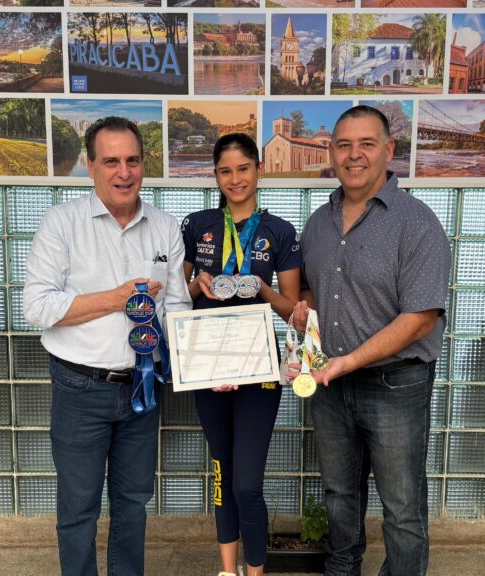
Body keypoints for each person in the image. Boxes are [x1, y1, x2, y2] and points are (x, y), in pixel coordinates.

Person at [23, 116, 192, 576]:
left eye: (133, 161)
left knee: (133, 503)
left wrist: (205, 361)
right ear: (91, 164)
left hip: (143, 388)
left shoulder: (165, 227)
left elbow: (176, 307)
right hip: (80, 388)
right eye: (112, 161)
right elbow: (37, 306)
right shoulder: (62, 223)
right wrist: (115, 299)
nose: (124, 172)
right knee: (78, 508)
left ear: (144, 164)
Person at [289, 106, 450, 576]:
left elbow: (421, 318)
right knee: (340, 495)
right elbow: (313, 292)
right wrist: (304, 316)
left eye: (366, 144)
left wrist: (351, 360)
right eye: (344, 145)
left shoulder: (417, 222)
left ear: (388, 150)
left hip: (395, 384)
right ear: (331, 152)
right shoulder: (318, 223)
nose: (354, 155)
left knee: (402, 507)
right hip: (330, 383)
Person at [181, 133, 301, 576]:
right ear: (215, 175)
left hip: (257, 367)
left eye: (243, 169)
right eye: (225, 171)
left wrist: (262, 288)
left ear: (259, 170)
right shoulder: (197, 225)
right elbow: (176, 299)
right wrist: (197, 285)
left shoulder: (279, 232)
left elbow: (293, 311)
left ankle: (255, 572)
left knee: (247, 484)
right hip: (208, 365)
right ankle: (227, 572)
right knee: (223, 475)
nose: (235, 179)